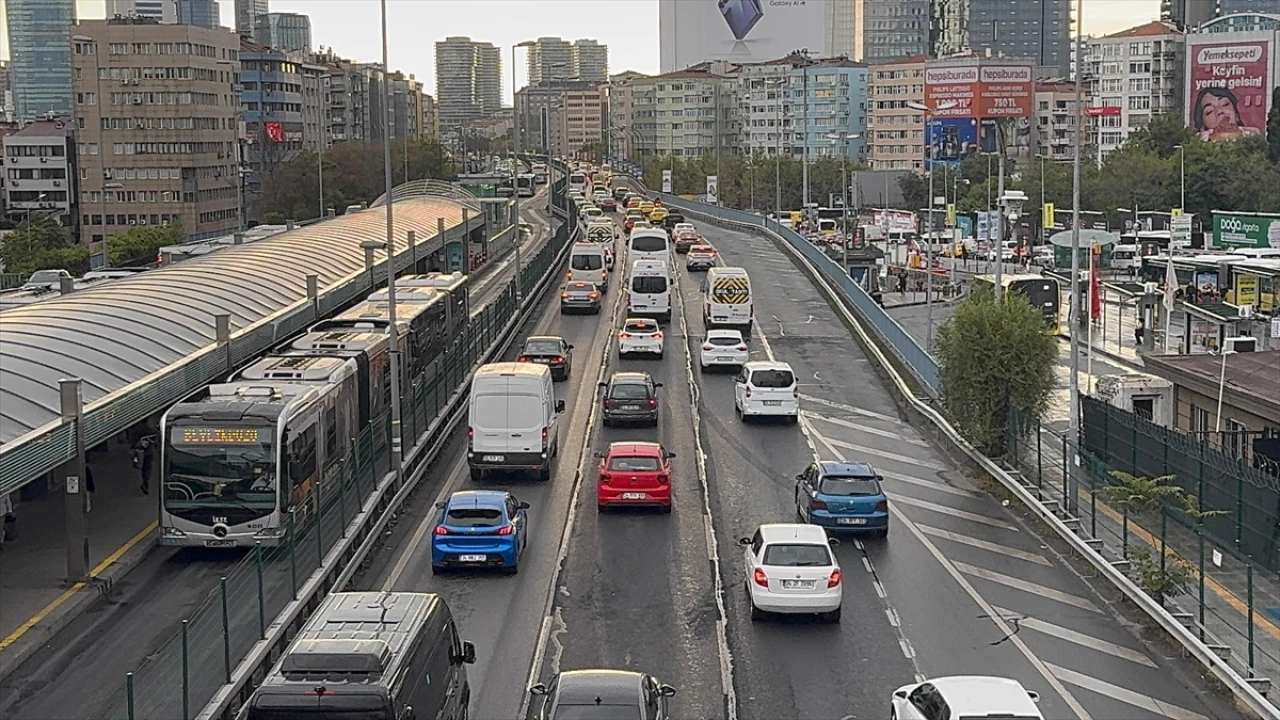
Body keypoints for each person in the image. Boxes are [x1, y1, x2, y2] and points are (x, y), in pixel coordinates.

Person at [1193, 87, 1263, 142]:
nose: (1219, 111)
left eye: (1225, 104)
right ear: (1202, 126)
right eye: (1209, 111)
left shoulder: (1252, 138)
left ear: (1236, 115)